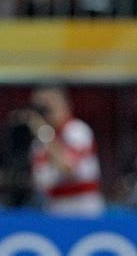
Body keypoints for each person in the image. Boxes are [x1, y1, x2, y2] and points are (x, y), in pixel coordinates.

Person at [25, 86, 105, 217]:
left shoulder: (77, 131)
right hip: (54, 206)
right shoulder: (39, 140)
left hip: (81, 207)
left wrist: (44, 133)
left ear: (63, 105)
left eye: (49, 105)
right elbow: (41, 181)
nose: (46, 112)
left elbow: (68, 166)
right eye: (40, 107)